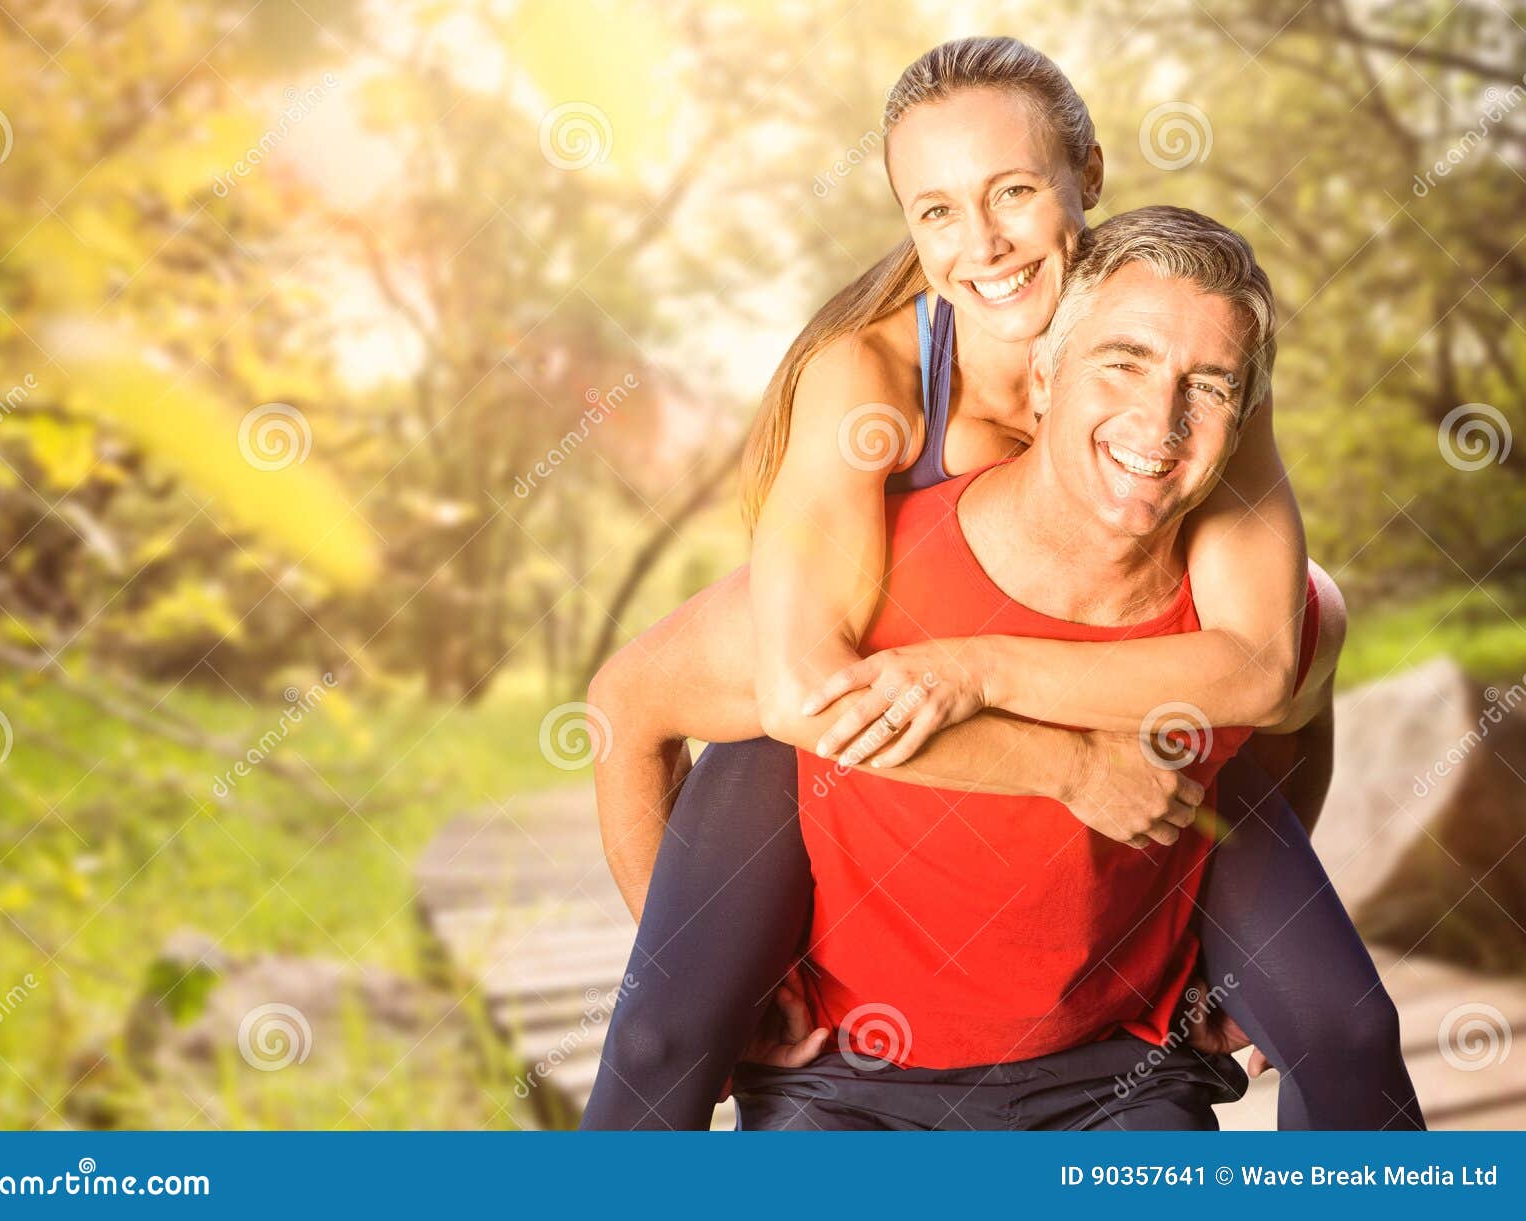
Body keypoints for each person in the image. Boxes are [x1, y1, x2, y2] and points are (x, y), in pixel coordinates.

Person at [579, 37, 1422, 1132]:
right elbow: (796, 693)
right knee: (662, 1034)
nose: (981, 243)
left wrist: (1210, 940)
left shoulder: (1179, 339)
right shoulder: (871, 380)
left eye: (1014, 191)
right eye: (935, 211)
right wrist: (1061, 766)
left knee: (1343, 1011)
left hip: (1099, 694)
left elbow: (1265, 663)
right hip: (856, 710)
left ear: (1090, 175)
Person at [735, 205, 1320, 1128]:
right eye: (1122, 363)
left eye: (1207, 386)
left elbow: (1279, 694)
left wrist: (1237, 951)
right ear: (1043, 378)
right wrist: (737, 983)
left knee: (1348, 1025)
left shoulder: (1232, 578)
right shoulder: (858, 556)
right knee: (661, 1035)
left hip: (1105, 1061)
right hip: (851, 1056)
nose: (1158, 419)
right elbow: (638, 699)